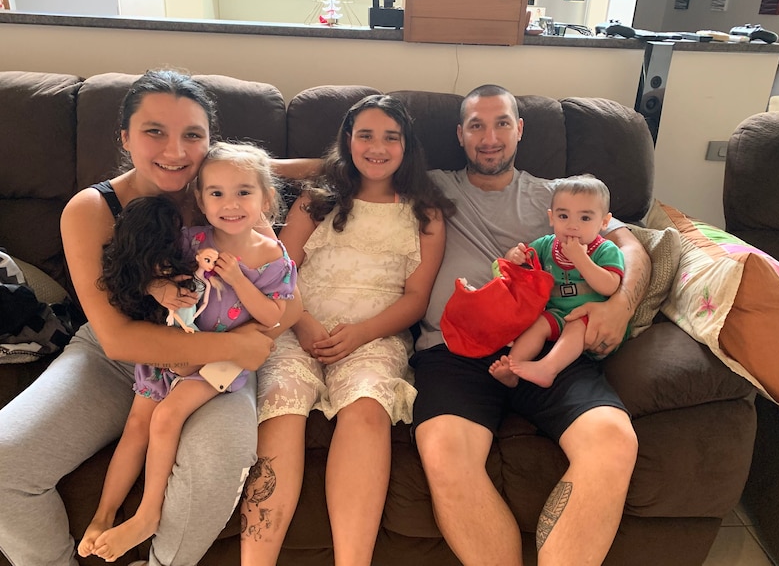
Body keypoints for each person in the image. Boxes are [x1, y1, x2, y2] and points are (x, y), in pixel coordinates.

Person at [0, 69, 302, 566]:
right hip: (116, 359)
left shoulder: (226, 196)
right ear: (124, 137)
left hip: (218, 358)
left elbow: (287, 299)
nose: (176, 151)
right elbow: (118, 339)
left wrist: (244, 339)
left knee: (219, 461)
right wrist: (231, 347)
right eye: (154, 131)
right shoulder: (92, 209)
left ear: (210, 142)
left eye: (192, 135)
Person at [411, 84, 647, 565]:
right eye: (476, 125)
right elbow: (352, 165)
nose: (489, 136)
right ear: (460, 134)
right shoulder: (432, 184)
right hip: (453, 351)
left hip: (547, 345)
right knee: (443, 452)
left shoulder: (560, 197)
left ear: (520, 130)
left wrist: (620, 304)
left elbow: (633, 244)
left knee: (612, 441)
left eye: (501, 123)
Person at [239, 94, 454, 566]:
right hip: (296, 325)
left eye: (390, 137)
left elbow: (416, 299)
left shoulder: (426, 213)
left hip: (374, 336)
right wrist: (303, 323)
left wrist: (360, 333)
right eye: (365, 136)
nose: (377, 147)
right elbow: (280, 269)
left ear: (407, 146)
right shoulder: (318, 199)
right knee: (282, 408)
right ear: (348, 142)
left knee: (367, 409)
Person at [78, 142, 297, 562]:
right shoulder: (189, 239)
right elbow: (144, 273)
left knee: (165, 418)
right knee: (136, 427)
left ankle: (147, 514)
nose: (230, 205)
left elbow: (272, 315)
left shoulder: (274, 258)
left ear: (266, 199)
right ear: (199, 199)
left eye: (243, 193)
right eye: (216, 193)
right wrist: (159, 287)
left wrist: (238, 276)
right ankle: (104, 515)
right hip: (172, 346)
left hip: (220, 363)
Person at [488, 175, 625, 389]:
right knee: (537, 325)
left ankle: (547, 368)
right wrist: (515, 254)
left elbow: (609, 285)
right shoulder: (546, 245)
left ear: (604, 222)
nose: (572, 226)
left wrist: (581, 259)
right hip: (556, 313)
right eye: (563, 216)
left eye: (585, 219)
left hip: (591, 320)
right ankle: (513, 366)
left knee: (576, 325)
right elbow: (524, 258)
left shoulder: (605, 249)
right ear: (551, 218)